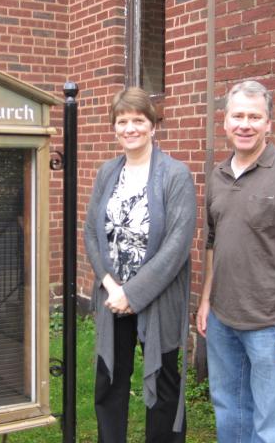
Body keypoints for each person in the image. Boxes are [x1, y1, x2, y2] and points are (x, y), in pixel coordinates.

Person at [196, 80, 275, 442]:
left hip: (270, 325)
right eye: (238, 116)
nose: (244, 124)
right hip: (221, 321)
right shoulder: (217, 175)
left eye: (254, 116)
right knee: (229, 413)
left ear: (268, 124)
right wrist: (205, 301)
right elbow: (214, 242)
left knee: (270, 426)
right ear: (225, 122)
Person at [84, 87, 196, 443]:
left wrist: (133, 294)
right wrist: (111, 285)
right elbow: (90, 231)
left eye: (138, 120)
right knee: (109, 381)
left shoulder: (175, 175)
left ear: (152, 125)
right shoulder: (107, 172)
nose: (130, 128)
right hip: (112, 296)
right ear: (114, 127)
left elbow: (177, 245)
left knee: (163, 385)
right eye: (122, 121)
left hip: (157, 299)